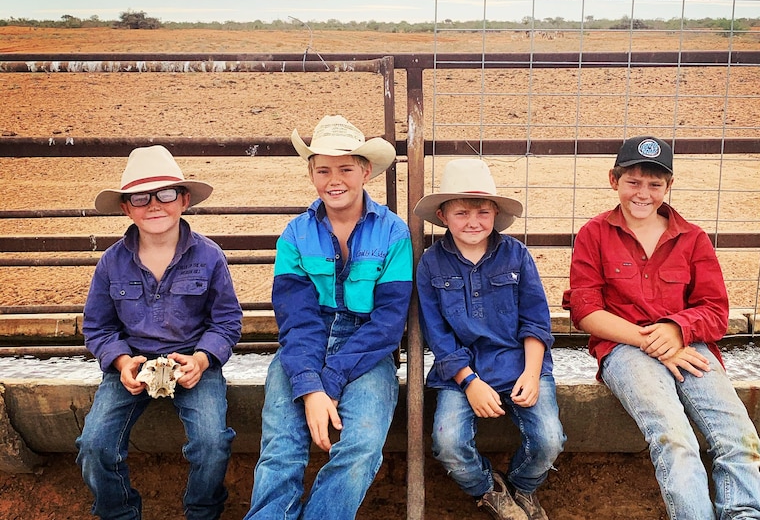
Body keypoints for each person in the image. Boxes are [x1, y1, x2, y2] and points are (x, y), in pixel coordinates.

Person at [562, 136, 760, 519]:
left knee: (739, 438)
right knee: (674, 437)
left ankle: (747, 515)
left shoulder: (692, 239)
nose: (643, 193)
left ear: (668, 186)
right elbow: (586, 311)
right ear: (614, 180)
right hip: (623, 348)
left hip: (690, 346)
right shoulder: (594, 234)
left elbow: (715, 311)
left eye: (655, 184)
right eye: (633, 182)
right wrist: (654, 341)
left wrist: (676, 330)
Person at [244, 115, 413, 520]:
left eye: (345, 169)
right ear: (311, 174)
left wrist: (330, 383)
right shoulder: (295, 235)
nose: (334, 180)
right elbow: (296, 319)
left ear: (365, 171)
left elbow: (388, 324)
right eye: (323, 170)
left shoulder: (394, 234)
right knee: (282, 448)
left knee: (361, 445)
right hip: (305, 344)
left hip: (367, 349)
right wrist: (310, 384)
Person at [76, 144, 244, 520]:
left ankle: (202, 510)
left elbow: (227, 321)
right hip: (132, 363)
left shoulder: (209, 256)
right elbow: (98, 326)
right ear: (126, 207)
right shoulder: (111, 262)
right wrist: (121, 362)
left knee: (212, 443)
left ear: (184, 200)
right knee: (94, 444)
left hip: (194, 360)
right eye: (140, 197)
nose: (154, 205)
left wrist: (202, 360)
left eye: (166, 194)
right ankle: (119, 512)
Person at [414, 158, 566, 520]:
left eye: (483, 211)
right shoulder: (431, 264)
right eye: (462, 212)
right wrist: (468, 382)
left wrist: (531, 374)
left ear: (496, 213)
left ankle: (522, 486)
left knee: (548, 440)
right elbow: (438, 335)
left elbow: (535, 320)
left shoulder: (517, 255)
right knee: (448, 443)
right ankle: (488, 489)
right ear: (443, 215)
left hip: (520, 365)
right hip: (462, 372)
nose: (473, 221)